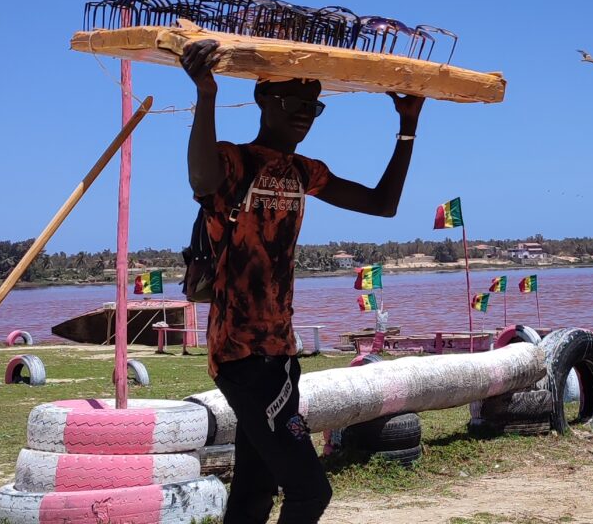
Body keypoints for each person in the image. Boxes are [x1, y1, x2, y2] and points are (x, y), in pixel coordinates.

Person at [180, 39, 423, 524]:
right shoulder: (232, 162)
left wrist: (408, 127)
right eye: (293, 103)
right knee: (310, 493)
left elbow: (383, 204)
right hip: (243, 356)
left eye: (313, 106)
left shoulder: (303, 172)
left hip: (282, 356)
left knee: (253, 490)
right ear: (263, 100)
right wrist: (206, 93)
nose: (304, 115)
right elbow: (202, 180)